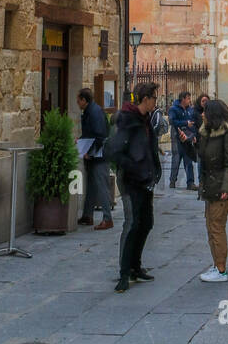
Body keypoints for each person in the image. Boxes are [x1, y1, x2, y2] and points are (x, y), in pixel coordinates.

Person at [109, 82, 161, 292]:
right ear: (145, 99)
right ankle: (124, 272)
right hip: (130, 180)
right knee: (132, 223)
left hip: (146, 179)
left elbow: (149, 147)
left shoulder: (146, 120)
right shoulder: (127, 119)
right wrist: (133, 167)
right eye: (154, 98)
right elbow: (114, 151)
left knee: (146, 223)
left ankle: (136, 266)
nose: (156, 102)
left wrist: (154, 168)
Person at [196, 98, 228, 281]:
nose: (202, 114)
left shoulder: (227, 134)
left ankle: (221, 269)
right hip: (209, 185)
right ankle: (216, 264)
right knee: (210, 225)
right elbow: (203, 157)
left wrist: (226, 188)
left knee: (217, 227)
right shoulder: (206, 133)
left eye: (205, 111)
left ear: (212, 114)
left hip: (221, 186)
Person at [76, 88, 113, 230]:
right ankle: (87, 215)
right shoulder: (91, 111)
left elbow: (99, 136)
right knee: (91, 185)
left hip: (99, 156)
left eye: (78, 100)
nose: (77, 102)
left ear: (84, 100)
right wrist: (80, 142)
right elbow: (90, 134)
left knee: (102, 186)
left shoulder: (94, 112)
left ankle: (107, 219)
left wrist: (89, 153)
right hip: (94, 155)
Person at [168, 90, 198, 190]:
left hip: (188, 138)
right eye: (188, 98)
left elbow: (192, 123)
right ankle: (172, 181)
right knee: (176, 159)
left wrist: (193, 135)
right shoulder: (173, 109)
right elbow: (172, 121)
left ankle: (190, 183)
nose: (190, 100)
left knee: (188, 160)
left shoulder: (190, 110)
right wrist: (185, 123)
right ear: (183, 99)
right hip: (177, 137)